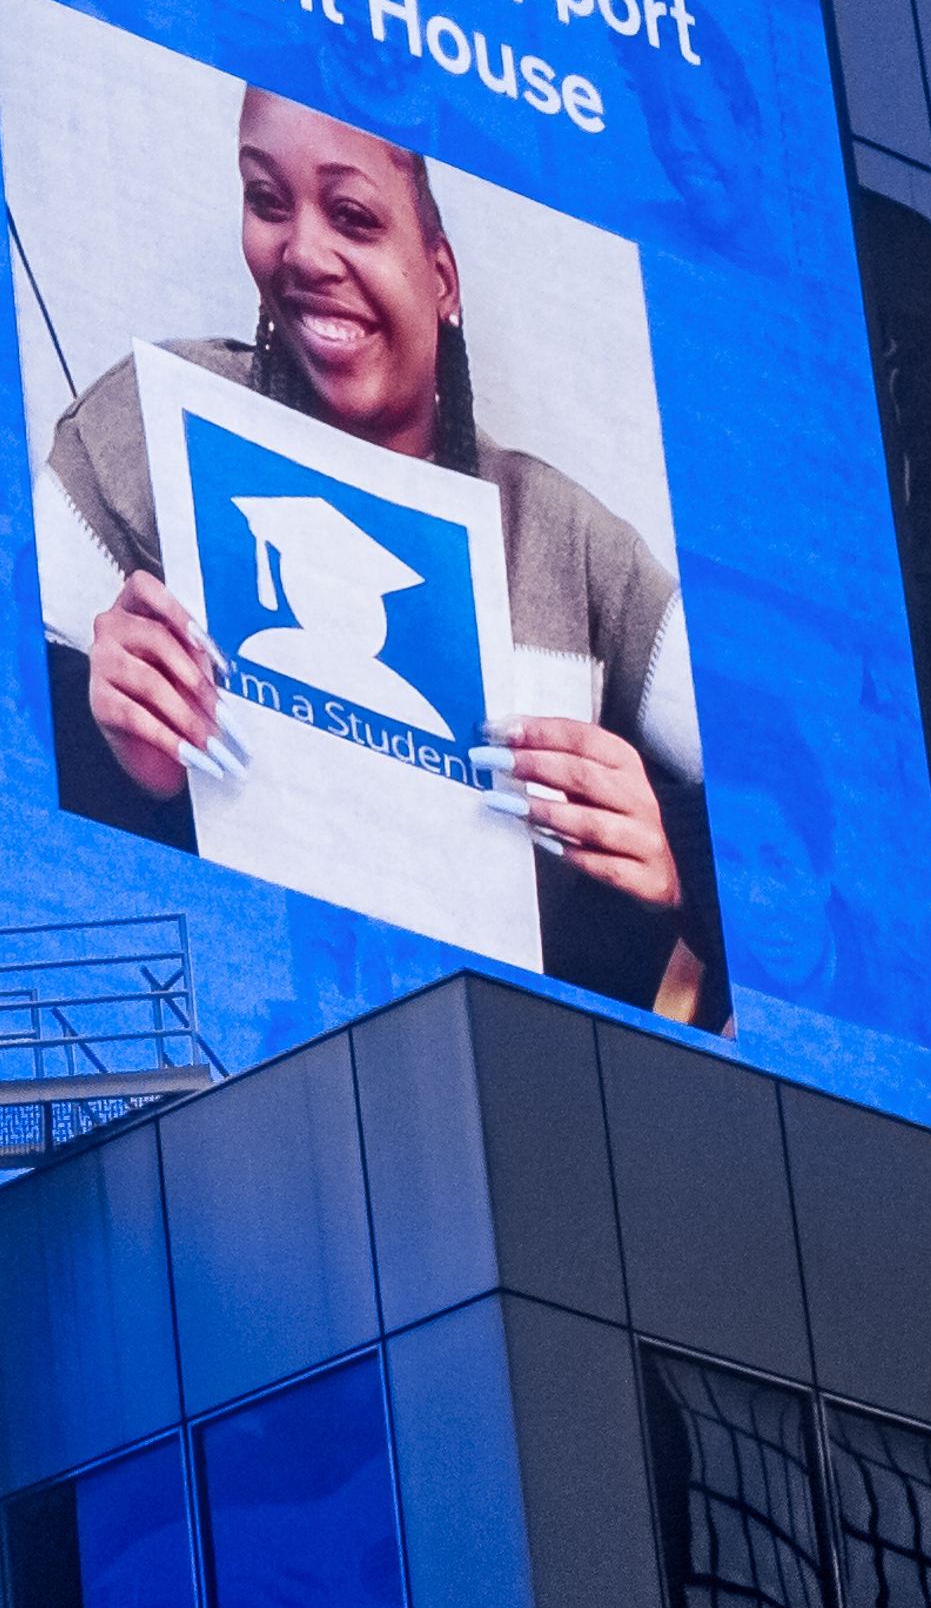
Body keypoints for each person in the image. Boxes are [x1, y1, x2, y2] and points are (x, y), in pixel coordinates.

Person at [46, 85, 720, 1022]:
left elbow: (804, 831)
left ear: (441, 277)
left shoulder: (569, 547)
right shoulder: (147, 428)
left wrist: (676, 868)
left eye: (353, 217)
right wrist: (112, 752)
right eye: (267, 201)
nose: (305, 253)